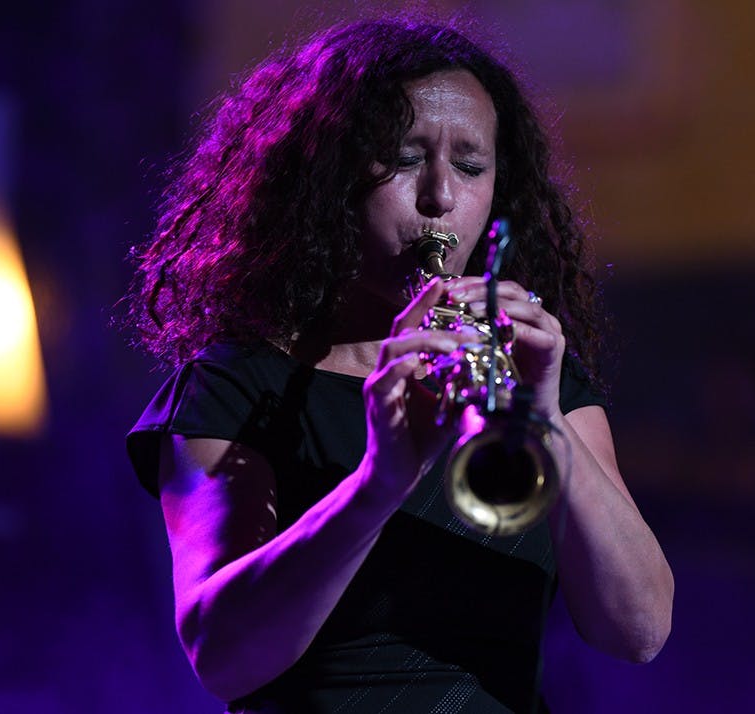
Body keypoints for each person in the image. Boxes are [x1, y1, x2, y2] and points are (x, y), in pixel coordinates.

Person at [124, 16, 673, 714]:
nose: (441, 197)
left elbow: (641, 629)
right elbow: (223, 655)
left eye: (471, 167)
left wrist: (546, 424)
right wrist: (379, 481)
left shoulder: (542, 381)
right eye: (406, 159)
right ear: (325, 179)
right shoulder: (238, 385)